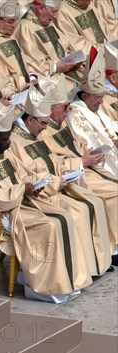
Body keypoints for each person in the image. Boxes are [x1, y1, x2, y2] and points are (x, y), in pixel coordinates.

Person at [0, 99, 93, 303]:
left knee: (65, 216)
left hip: (15, 201)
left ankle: (62, 280)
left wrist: (34, 183)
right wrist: (22, 189)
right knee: (48, 225)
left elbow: (21, 173)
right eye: (5, 139)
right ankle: (39, 286)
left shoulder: (0, 151)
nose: (10, 143)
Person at [9, 84, 112, 278]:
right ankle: (77, 272)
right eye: (64, 107)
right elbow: (25, 172)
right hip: (41, 193)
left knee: (94, 203)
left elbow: (52, 159)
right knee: (80, 210)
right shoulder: (14, 141)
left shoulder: (36, 132)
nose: (46, 128)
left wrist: (67, 170)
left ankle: (94, 264)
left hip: (57, 182)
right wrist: (58, 179)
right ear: (30, 119)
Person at [40, 74, 118, 257]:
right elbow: (51, 163)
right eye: (64, 108)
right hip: (72, 175)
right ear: (50, 109)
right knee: (114, 193)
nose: (68, 112)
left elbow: (78, 143)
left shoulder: (62, 121)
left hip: (86, 168)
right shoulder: (43, 132)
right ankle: (112, 250)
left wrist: (89, 154)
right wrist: (81, 162)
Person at [67, 47, 118, 178]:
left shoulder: (94, 108)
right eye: (97, 98)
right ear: (84, 97)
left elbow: (111, 128)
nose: (101, 102)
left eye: (102, 97)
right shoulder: (75, 112)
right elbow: (92, 142)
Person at [13, 0, 83, 83]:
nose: (55, 17)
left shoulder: (47, 23)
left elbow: (63, 47)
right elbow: (30, 62)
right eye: (53, 12)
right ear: (41, 8)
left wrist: (73, 61)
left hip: (65, 74)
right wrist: (55, 67)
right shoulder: (24, 27)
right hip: (49, 78)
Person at [0, 0, 32, 97]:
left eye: (15, 20)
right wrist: (14, 91)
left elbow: (23, 63)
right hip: (11, 95)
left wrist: (32, 79)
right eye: (10, 21)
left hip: (26, 89)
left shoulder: (9, 36)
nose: (14, 25)